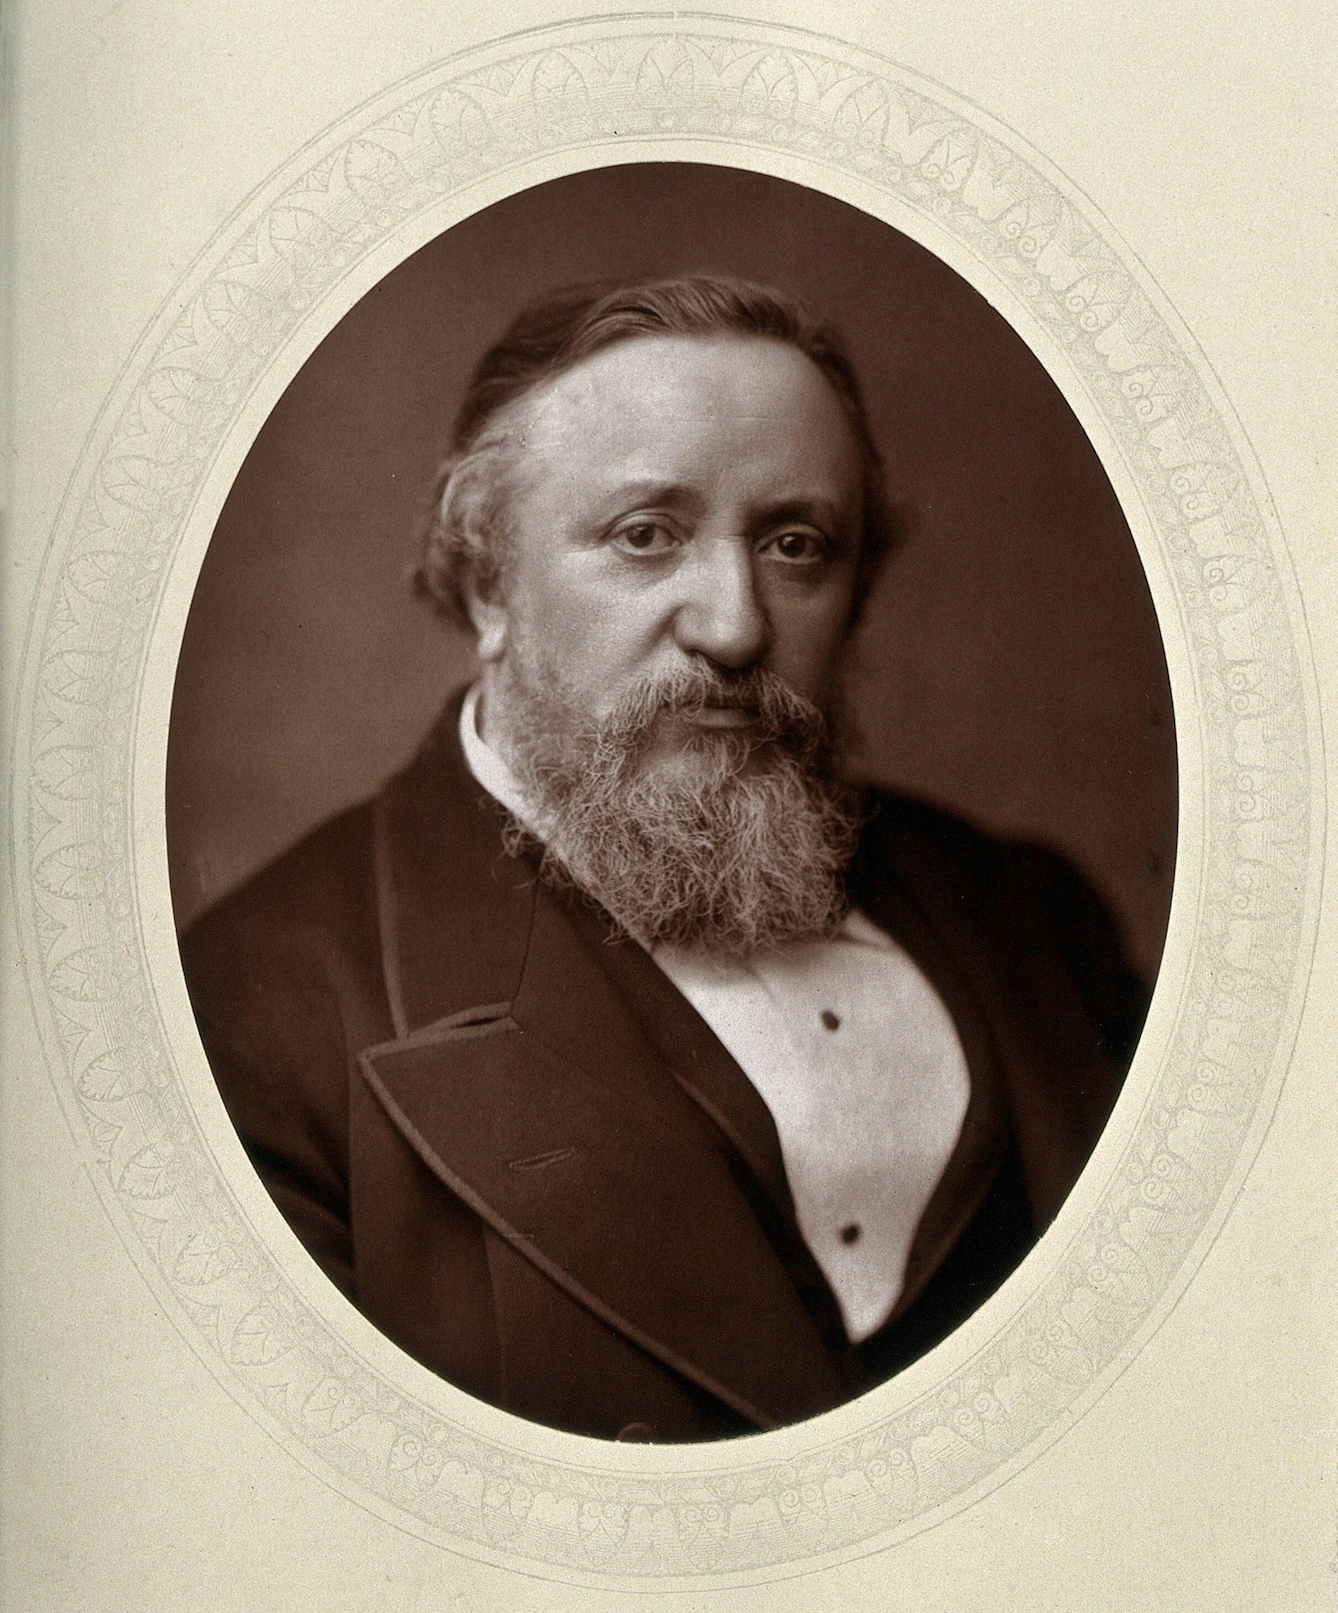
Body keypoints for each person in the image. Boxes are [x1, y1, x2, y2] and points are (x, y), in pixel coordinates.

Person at [180, 275, 1148, 1443]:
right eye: (647, 537)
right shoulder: (248, 1015)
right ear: (489, 583)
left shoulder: (1036, 917)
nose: (735, 625)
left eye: (796, 543)